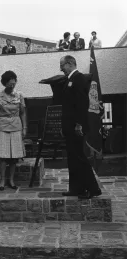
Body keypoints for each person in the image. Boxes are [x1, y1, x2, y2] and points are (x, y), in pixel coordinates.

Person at [60, 55, 102, 199]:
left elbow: (82, 104)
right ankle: (76, 188)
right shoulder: (69, 80)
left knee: (79, 158)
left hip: (76, 127)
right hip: (69, 126)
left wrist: (79, 124)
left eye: (62, 65)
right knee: (72, 159)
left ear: (70, 63)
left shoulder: (78, 78)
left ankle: (93, 188)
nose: (61, 69)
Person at [0, 71, 27, 191]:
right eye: (9, 84)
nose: (12, 86)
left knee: (14, 156)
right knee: (3, 156)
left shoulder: (20, 95)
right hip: (3, 127)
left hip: (16, 126)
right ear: (4, 84)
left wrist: (24, 128)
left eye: (13, 84)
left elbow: (23, 112)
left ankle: (11, 180)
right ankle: (2, 180)